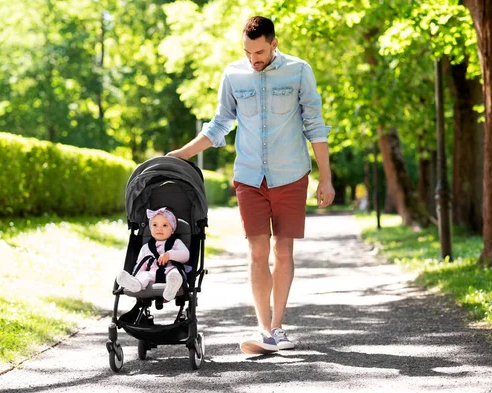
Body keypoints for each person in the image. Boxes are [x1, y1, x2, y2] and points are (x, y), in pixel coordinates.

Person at [167, 16, 335, 354]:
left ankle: (278, 327)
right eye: (247, 52)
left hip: (290, 174)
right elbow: (220, 123)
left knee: (283, 250)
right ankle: (264, 329)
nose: (253, 59)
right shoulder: (233, 74)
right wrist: (182, 154)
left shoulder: (299, 71)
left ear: (274, 43)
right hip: (248, 176)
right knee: (257, 252)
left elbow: (314, 124)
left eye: (259, 52)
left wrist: (326, 178)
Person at [116, 207, 190, 302]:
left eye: (165, 225)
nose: (159, 228)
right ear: (150, 229)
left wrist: (169, 255)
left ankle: (172, 287)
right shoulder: (146, 247)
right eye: (155, 225)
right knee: (144, 275)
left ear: (172, 229)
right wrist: (136, 275)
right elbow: (141, 264)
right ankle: (135, 284)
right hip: (152, 273)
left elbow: (185, 255)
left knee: (175, 273)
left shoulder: (176, 242)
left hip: (170, 270)